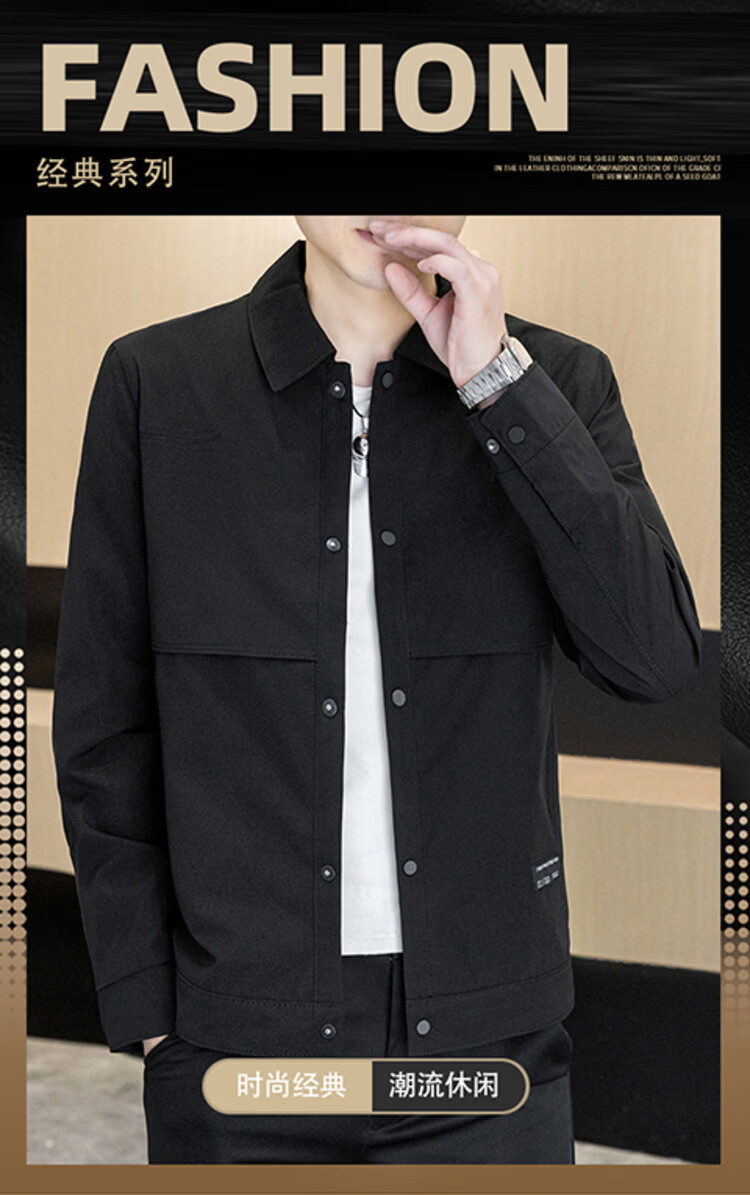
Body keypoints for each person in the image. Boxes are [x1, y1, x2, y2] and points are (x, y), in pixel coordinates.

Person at [52, 216, 702, 1165]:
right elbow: (104, 725)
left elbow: (651, 657)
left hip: (488, 1054)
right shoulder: (158, 382)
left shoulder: (556, 378)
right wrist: (154, 1016)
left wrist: (498, 386)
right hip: (236, 1047)